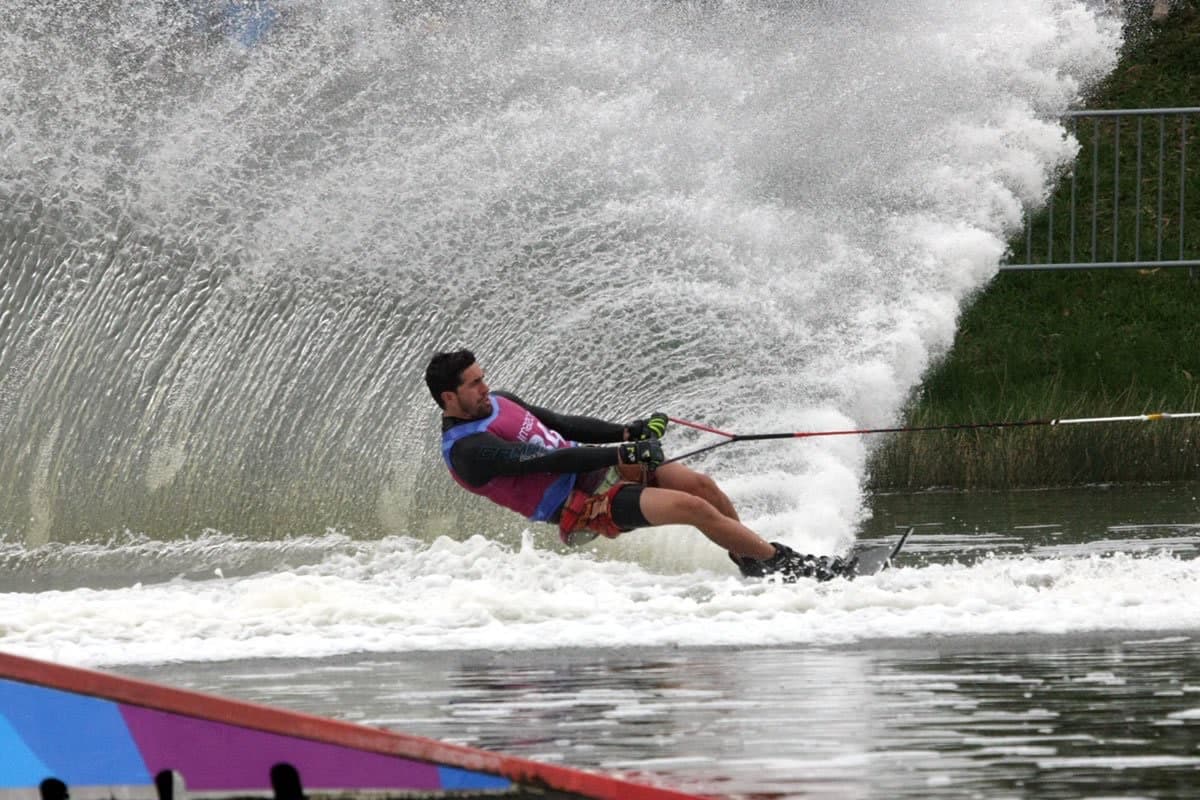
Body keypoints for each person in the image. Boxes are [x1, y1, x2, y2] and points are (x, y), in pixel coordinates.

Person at [424, 349, 855, 582]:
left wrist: (627, 433)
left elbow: (562, 425)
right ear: (449, 398)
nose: (486, 387)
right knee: (693, 510)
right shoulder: (467, 450)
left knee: (700, 486)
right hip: (580, 505)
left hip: (602, 470)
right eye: (475, 383)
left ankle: (754, 563)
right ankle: (792, 567)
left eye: (483, 377)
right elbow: (548, 458)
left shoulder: (501, 402)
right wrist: (620, 454)